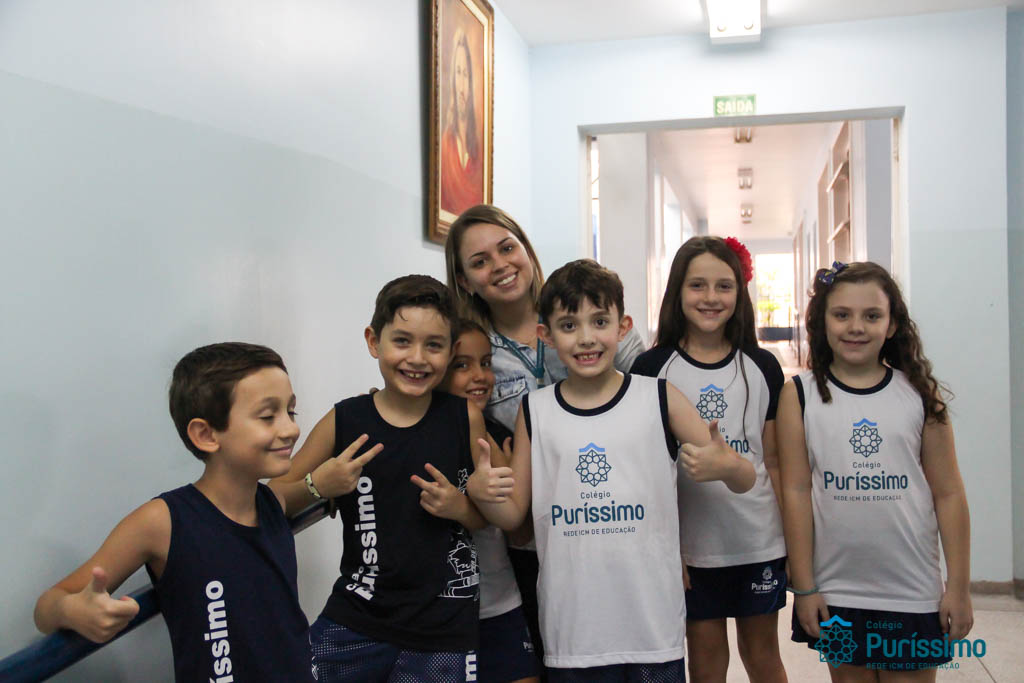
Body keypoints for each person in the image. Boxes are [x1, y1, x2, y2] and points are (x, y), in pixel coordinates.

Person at [468, 259, 756, 681]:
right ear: (546, 336)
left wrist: (727, 465)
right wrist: (481, 493)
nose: (586, 338)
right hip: (573, 632)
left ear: (623, 328)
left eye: (600, 321)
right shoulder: (535, 411)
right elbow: (514, 516)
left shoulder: (660, 397)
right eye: (569, 326)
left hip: (651, 625)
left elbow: (746, 479)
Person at [33, 342, 339, 681]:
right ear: (206, 434)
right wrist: (72, 610)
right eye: (268, 416)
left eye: (291, 412)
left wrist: (325, 484)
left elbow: (306, 489)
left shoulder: (271, 503)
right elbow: (47, 606)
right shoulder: (162, 522)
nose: (290, 429)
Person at [445, 204, 646, 668]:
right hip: (530, 539)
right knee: (556, 659)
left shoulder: (581, 311)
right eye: (480, 261)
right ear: (465, 281)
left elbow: (651, 393)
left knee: (623, 655)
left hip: (614, 519)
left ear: (526, 249)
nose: (500, 265)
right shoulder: (473, 350)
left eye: (507, 248)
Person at [271, 275, 487, 682]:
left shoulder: (464, 418)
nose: (417, 358)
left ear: (450, 350)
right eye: (402, 341)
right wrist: (318, 485)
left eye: (434, 345)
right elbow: (273, 497)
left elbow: (488, 516)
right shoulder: (345, 419)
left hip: (443, 629)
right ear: (374, 341)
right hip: (356, 617)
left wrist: (460, 507)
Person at [778, 261, 972, 682]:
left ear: (892, 324)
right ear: (822, 321)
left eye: (871, 315)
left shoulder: (919, 393)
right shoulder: (799, 395)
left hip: (912, 592)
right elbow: (794, 492)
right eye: (842, 314)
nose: (856, 327)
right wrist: (805, 586)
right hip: (837, 593)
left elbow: (949, 494)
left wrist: (958, 587)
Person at [631, 236, 788, 683]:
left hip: (758, 540)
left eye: (724, 286)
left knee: (762, 656)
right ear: (677, 292)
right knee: (705, 662)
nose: (711, 297)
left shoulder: (763, 366)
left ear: (740, 293)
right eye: (697, 285)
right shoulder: (650, 368)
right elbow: (648, 471)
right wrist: (666, 549)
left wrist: (793, 545)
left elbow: (775, 462)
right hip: (692, 548)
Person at [440, 319, 542, 683]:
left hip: (501, 604)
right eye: (462, 365)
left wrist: (510, 474)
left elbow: (520, 532)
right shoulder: (418, 436)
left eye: (486, 363)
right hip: (437, 616)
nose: (480, 376)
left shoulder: (499, 435)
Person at [440, 27, 483, 216]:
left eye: (465, 74)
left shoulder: (478, 154)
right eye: (458, 73)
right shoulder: (446, 145)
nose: (462, 85)